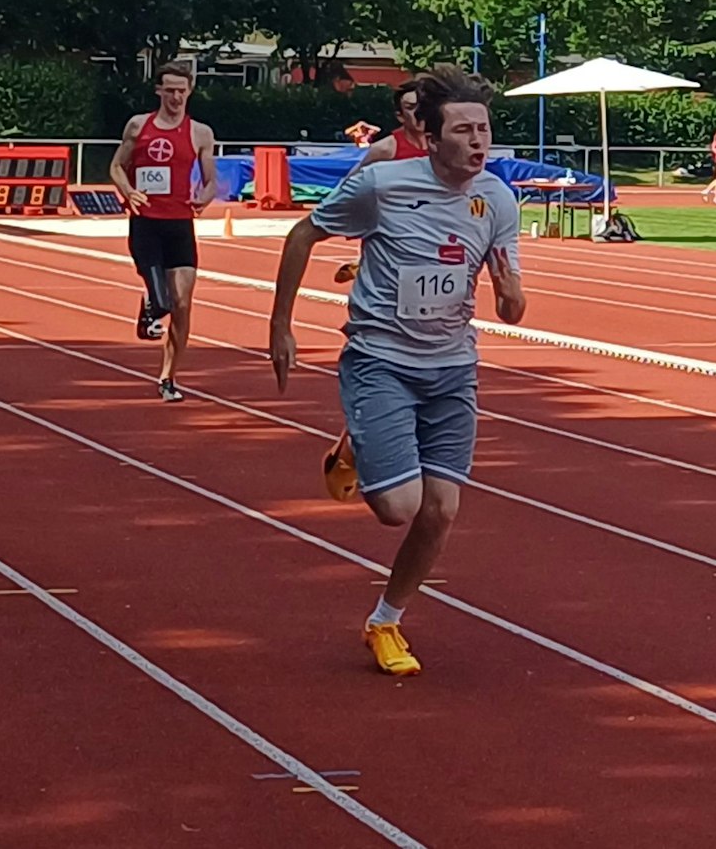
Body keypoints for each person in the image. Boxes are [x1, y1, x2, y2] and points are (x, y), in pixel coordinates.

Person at [268, 64, 526, 678]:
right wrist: (281, 325)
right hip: (381, 360)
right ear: (431, 139)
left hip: (452, 368)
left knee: (441, 509)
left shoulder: (498, 199)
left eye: (484, 130)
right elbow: (303, 235)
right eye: (463, 131)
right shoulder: (382, 185)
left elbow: (512, 308)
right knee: (397, 508)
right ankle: (358, 443)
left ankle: (386, 620)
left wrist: (510, 289)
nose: (478, 142)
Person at [108, 63, 220, 403]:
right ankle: (150, 305)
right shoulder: (138, 126)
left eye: (181, 90)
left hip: (179, 224)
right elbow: (116, 167)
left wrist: (204, 197)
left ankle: (168, 377)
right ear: (158, 91)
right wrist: (128, 191)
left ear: (189, 91)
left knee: (183, 304)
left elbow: (211, 180)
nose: (175, 97)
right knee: (162, 300)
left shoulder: (200, 133)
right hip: (146, 222)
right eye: (169, 90)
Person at [336, 79, 427, 284]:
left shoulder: (444, 146)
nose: (419, 113)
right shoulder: (386, 149)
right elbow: (351, 183)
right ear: (400, 116)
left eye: (423, 107)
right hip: (391, 231)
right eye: (411, 108)